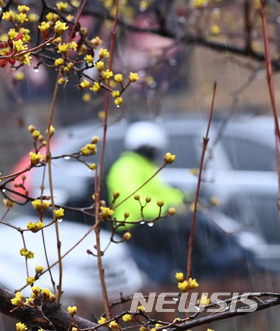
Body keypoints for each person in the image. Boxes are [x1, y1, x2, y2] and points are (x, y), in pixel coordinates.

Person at [106, 122, 254, 285]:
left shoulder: (144, 166)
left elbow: (161, 192)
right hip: (134, 227)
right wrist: (169, 210)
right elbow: (136, 200)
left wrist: (184, 198)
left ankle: (198, 271)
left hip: (150, 223)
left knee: (191, 231)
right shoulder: (126, 168)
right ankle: (183, 275)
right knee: (181, 241)